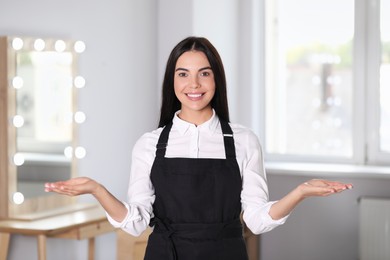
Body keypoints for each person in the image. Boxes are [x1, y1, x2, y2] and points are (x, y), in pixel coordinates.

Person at [45, 36, 353, 260]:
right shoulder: (150, 144)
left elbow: (257, 220)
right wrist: (96, 189)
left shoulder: (244, 141)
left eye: (204, 73)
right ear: (173, 81)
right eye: (183, 74)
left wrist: (300, 192)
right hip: (167, 254)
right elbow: (137, 222)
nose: (194, 84)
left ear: (216, 79)